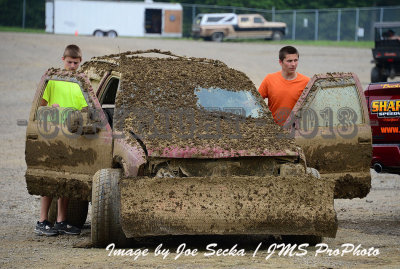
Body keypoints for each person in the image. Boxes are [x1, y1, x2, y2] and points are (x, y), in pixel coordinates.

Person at [35, 44, 87, 236]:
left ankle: (61, 221)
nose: (72, 65)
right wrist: (51, 108)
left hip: (71, 137)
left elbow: (84, 108)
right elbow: (40, 106)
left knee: (66, 180)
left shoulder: (80, 82)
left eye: (75, 62)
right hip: (53, 135)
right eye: (69, 62)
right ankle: (42, 221)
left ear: (80, 62)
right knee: (50, 179)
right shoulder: (54, 80)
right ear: (63, 60)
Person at [258, 46, 310, 125]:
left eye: (295, 60)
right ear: (280, 62)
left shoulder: (306, 82)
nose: (293, 64)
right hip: (273, 129)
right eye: (289, 61)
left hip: (296, 130)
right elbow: (255, 101)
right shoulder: (269, 79)